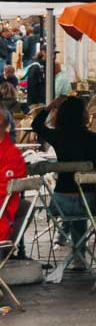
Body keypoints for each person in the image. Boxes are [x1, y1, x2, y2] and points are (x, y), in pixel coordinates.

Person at [32, 93, 96, 273]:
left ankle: (66, 240)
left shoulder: (58, 137)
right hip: (90, 202)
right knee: (82, 208)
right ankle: (79, 257)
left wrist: (50, 106)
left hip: (61, 202)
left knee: (73, 210)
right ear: (84, 115)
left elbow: (36, 125)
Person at [0, 106, 28, 248]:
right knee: (25, 206)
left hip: (4, 211)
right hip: (4, 216)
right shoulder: (12, 152)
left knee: (23, 206)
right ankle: (11, 249)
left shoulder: (10, 153)